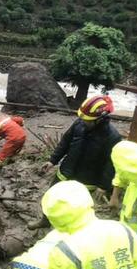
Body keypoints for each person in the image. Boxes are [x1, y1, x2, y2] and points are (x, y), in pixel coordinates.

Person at [29, 95, 122, 230]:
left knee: (76, 208)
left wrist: (103, 186)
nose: (83, 121)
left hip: (87, 180)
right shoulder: (80, 123)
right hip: (66, 171)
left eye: (87, 120)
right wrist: (52, 161)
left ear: (100, 119)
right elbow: (65, 142)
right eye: (82, 118)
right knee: (51, 197)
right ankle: (45, 221)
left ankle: (66, 232)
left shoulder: (112, 136)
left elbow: (111, 164)